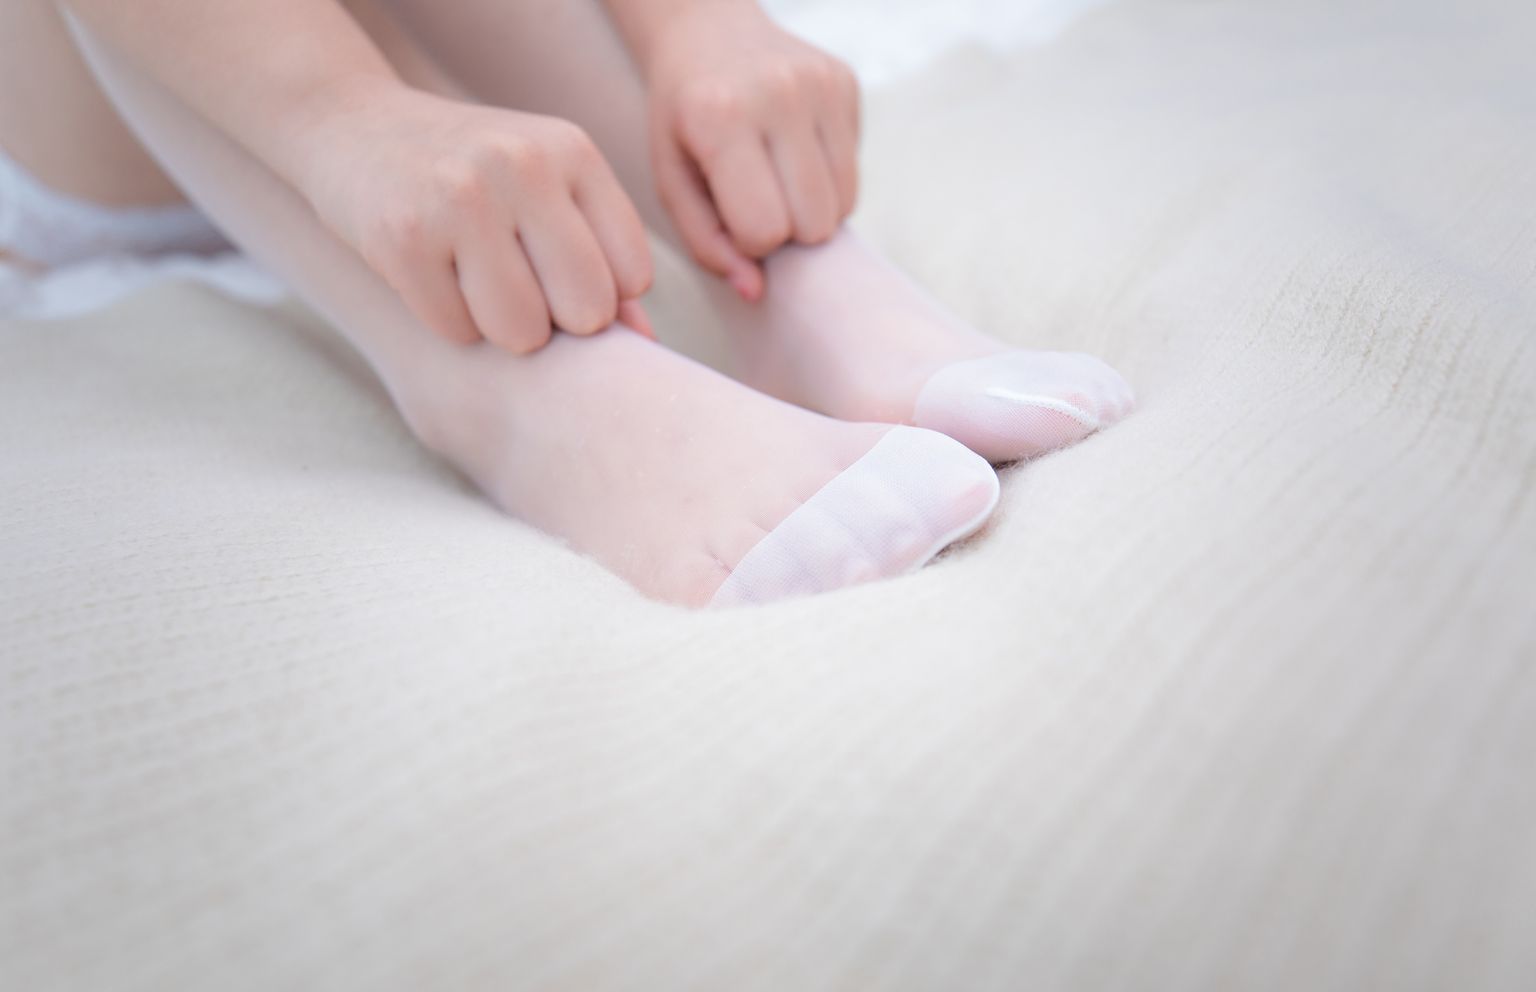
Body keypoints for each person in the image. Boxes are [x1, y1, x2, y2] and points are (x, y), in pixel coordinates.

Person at [0, 0, 1134, 607]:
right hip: (101, 100)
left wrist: (701, 26)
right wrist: (351, 123)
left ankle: (775, 263)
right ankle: (507, 385)